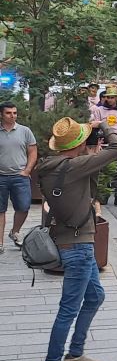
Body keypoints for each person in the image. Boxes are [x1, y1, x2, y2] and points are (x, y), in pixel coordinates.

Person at [35, 117, 117, 361]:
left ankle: (75, 354)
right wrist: (104, 126)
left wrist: (89, 151)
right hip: (78, 246)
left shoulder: (51, 166)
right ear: (78, 143)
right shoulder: (75, 166)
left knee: (95, 296)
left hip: (69, 240)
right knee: (68, 309)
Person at [0, 102, 37, 251]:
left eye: (14, 113)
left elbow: (33, 152)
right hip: (1, 177)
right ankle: (0, 243)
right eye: (8, 113)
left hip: (20, 176)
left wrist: (27, 170)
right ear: (1, 114)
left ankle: (15, 232)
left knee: (23, 207)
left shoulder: (25, 131)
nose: (12, 116)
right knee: (0, 210)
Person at [89, 87, 117, 207]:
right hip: (103, 144)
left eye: (112, 97)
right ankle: (103, 196)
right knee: (103, 170)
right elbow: (96, 126)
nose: (110, 99)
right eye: (108, 97)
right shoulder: (99, 110)